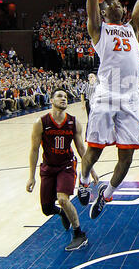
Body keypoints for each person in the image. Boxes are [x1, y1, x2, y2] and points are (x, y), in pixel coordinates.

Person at [80, 0, 139, 219]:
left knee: (127, 157)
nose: (120, 5)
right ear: (102, 10)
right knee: (95, 150)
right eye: (113, 3)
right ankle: (83, 180)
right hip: (107, 94)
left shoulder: (133, 28)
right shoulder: (97, 30)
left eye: (120, 3)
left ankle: (106, 194)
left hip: (130, 98)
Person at [26, 88, 97, 251]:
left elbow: (81, 148)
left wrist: (90, 169)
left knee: (63, 198)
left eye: (65, 96)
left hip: (66, 165)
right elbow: (34, 149)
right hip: (48, 167)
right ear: (51, 100)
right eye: (59, 96)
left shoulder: (73, 122)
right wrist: (31, 176)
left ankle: (79, 234)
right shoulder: (41, 122)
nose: (63, 99)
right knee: (47, 209)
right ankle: (62, 213)